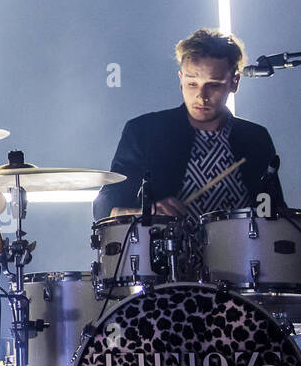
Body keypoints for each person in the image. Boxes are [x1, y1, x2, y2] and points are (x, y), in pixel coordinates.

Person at [93, 29, 285, 224]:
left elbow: (274, 210)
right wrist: (147, 211)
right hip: (165, 252)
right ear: (181, 78)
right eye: (192, 83)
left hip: (243, 252)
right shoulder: (145, 132)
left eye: (214, 84)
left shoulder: (255, 138)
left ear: (234, 82)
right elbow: (103, 206)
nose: (201, 96)